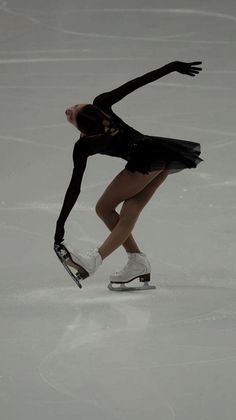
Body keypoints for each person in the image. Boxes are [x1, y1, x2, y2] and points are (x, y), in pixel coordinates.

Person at [54, 60, 204, 285]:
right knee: (126, 212)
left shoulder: (84, 144)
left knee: (104, 208)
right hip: (159, 154)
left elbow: (137, 83)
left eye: (72, 113)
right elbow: (137, 83)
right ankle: (137, 261)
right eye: (73, 112)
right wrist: (171, 66)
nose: (69, 110)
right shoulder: (100, 107)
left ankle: (95, 260)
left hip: (147, 161)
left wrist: (59, 226)